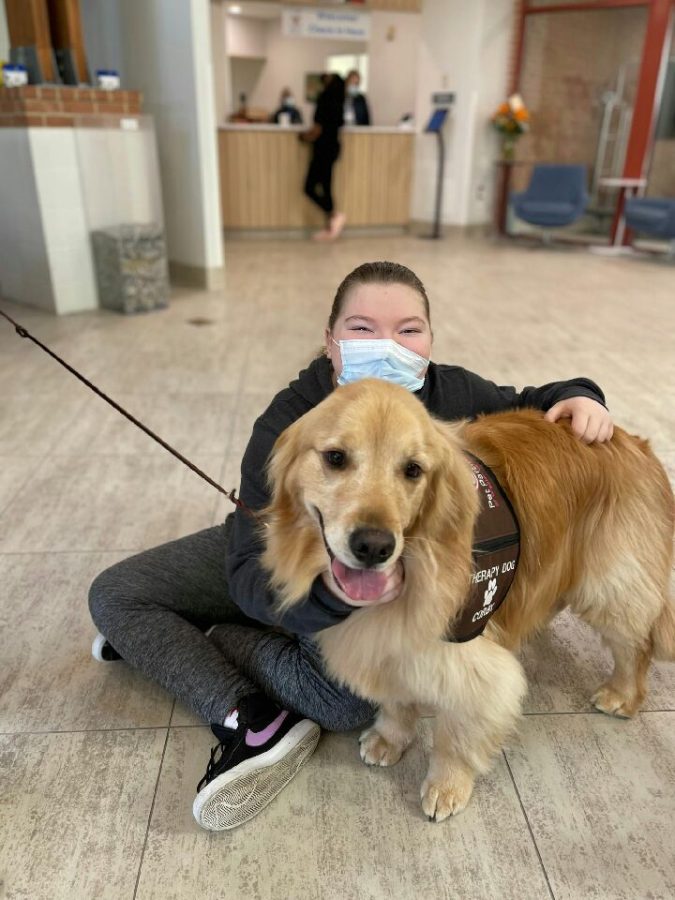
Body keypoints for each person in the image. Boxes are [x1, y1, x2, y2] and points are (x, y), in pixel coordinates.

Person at [88, 260, 614, 833]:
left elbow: (532, 399)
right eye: (362, 328)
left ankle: (222, 666)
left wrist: (582, 395)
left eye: (409, 330)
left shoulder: (451, 392)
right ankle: (244, 698)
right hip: (279, 549)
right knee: (114, 597)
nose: (388, 344)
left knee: (344, 703)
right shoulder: (291, 419)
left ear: (429, 342)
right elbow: (246, 573)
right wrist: (336, 595)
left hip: (376, 586)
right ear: (330, 340)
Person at [300, 73, 346, 241]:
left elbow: (318, 128)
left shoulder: (325, 98)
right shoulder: (340, 102)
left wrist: (303, 137)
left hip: (322, 149)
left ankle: (334, 216)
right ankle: (331, 226)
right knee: (326, 186)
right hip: (333, 148)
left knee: (309, 187)